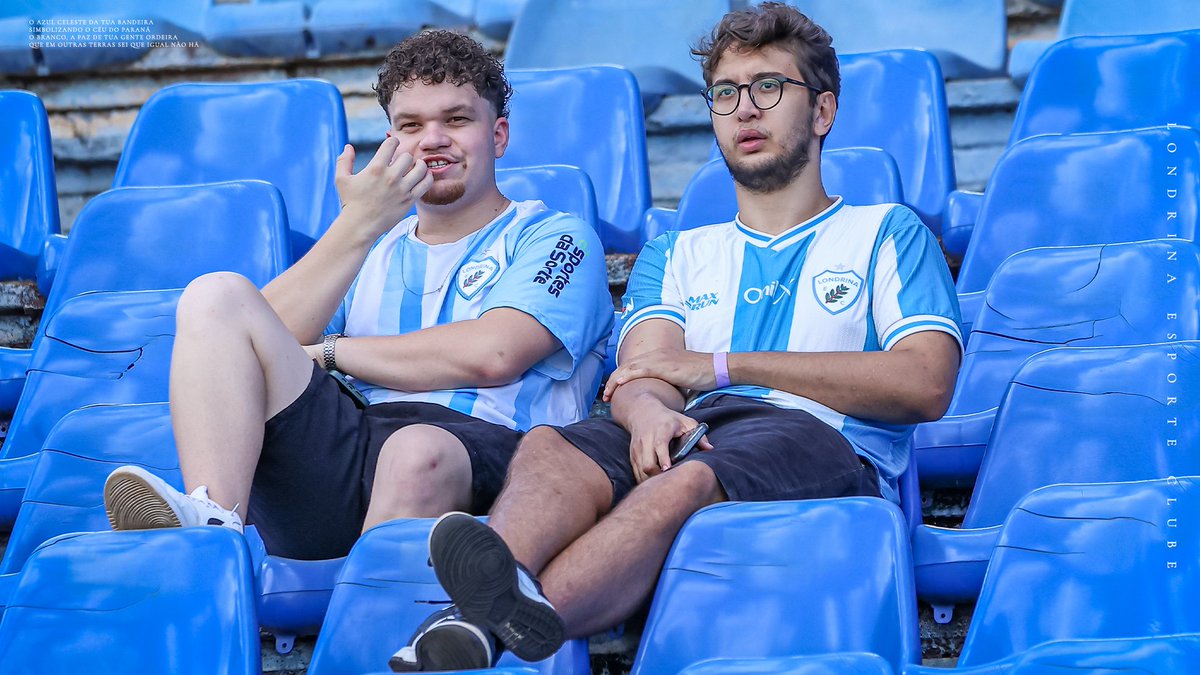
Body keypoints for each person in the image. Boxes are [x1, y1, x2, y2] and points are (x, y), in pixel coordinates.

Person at [390, 4, 963, 671]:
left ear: (823, 111)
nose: (745, 109)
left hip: (820, 438)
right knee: (550, 447)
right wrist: (648, 412)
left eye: (769, 87)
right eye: (726, 93)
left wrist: (720, 366)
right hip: (693, 429)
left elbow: (926, 381)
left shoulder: (888, 232)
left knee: (687, 481)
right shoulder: (674, 252)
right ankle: (487, 614)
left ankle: (479, 628)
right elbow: (644, 373)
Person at [102, 30, 613, 566]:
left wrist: (331, 352)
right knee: (216, 297)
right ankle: (215, 526)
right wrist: (358, 224)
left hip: (499, 457)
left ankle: (363, 608)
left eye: (457, 119)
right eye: (410, 126)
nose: (432, 139)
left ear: (499, 135)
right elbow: (240, 349)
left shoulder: (555, 236)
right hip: (352, 445)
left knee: (415, 450)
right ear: (391, 141)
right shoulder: (371, 246)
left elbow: (495, 353)